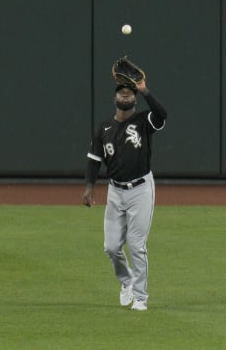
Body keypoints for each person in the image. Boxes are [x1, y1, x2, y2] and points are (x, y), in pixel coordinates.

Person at [82, 70, 167, 311]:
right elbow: (94, 160)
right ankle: (126, 281)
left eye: (130, 94)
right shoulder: (104, 128)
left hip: (141, 189)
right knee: (111, 246)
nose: (126, 96)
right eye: (123, 92)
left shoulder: (143, 121)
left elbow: (162, 115)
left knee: (137, 245)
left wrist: (145, 90)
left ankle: (140, 297)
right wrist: (89, 187)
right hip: (115, 192)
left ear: (134, 100)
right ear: (116, 98)